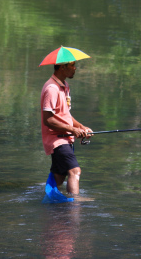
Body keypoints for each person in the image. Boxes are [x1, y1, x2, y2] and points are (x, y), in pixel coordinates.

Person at [40, 61, 92, 196]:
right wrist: (73, 130)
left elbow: (65, 115)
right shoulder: (51, 88)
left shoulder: (65, 86)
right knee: (75, 171)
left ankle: (53, 204)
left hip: (66, 138)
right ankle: (74, 206)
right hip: (57, 140)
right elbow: (48, 120)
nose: (75, 68)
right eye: (72, 65)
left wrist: (81, 127)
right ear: (63, 67)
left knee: (59, 176)